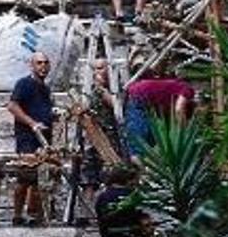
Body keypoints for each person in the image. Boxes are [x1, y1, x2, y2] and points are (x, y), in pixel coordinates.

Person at [6, 51, 55, 226]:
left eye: (45, 63)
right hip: (27, 137)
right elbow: (12, 106)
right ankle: (17, 215)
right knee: (25, 177)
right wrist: (32, 124)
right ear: (32, 65)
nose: (43, 66)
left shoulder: (46, 88)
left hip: (44, 139)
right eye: (39, 63)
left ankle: (33, 214)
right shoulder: (24, 83)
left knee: (38, 179)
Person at [80, 59, 124, 208]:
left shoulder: (117, 89)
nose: (96, 72)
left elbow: (117, 107)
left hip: (110, 139)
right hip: (93, 138)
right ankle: (86, 210)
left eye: (100, 68)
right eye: (95, 69)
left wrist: (102, 89)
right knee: (88, 176)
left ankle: (112, 207)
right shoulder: (92, 90)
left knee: (111, 174)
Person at [124, 73, 195, 163]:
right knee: (138, 148)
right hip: (139, 97)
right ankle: (146, 171)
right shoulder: (187, 89)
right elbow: (178, 109)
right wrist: (185, 130)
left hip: (145, 99)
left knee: (150, 140)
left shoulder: (173, 95)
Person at [95, 165, 152, 237]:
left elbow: (100, 214)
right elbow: (142, 214)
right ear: (128, 180)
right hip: (131, 231)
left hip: (109, 232)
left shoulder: (103, 196)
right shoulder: (133, 195)